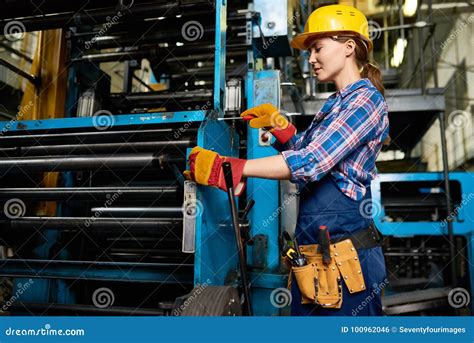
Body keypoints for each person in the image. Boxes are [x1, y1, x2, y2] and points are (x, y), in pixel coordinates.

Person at [183, 4, 390, 316]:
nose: (311, 59)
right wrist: (283, 129)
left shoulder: (366, 100)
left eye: (318, 48)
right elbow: (306, 148)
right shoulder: (335, 103)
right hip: (315, 259)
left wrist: (234, 168)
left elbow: (313, 161)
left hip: (348, 265)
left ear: (349, 47)